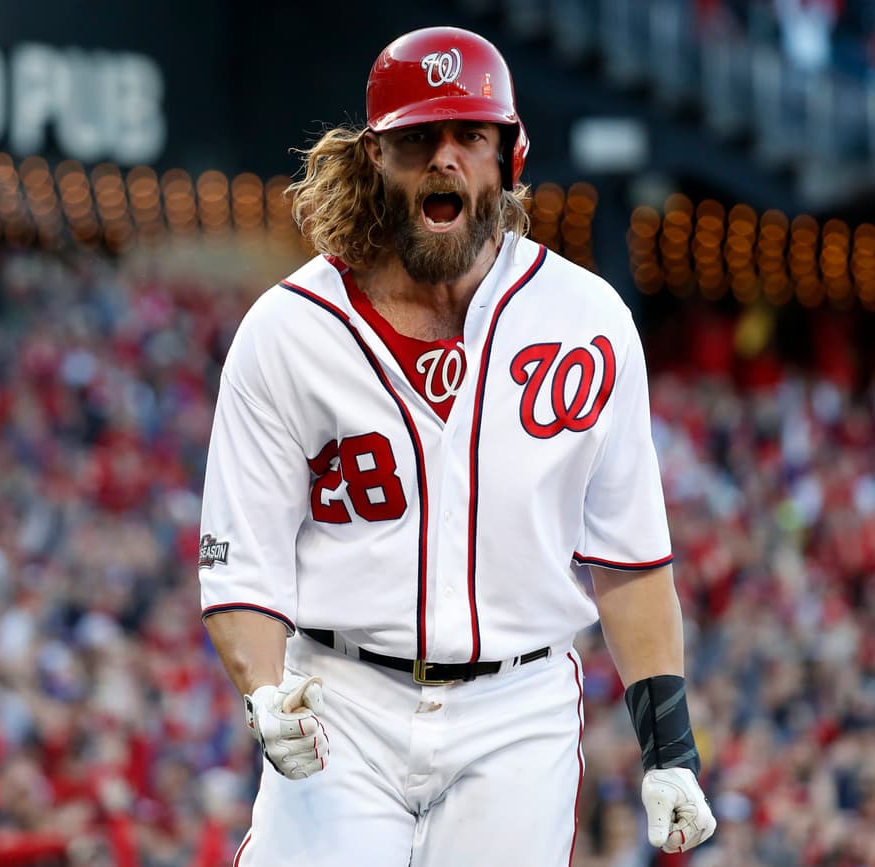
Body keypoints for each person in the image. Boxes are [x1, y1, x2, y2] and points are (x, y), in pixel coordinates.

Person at [198, 25, 716, 865]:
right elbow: (241, 567)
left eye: (469, 135)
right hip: (341, 699)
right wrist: (264, 691)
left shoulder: (587, 322)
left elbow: (629, 559)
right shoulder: (287, 331)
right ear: (376, 159)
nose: (445, 159)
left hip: (518, 711)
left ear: (509, 157)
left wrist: (670, 749)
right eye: (417, 138)